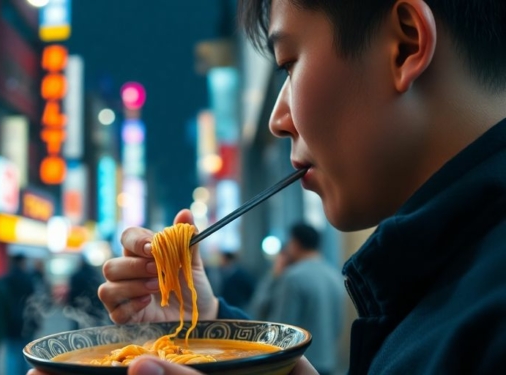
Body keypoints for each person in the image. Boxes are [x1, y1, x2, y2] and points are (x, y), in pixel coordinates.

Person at [30, 0, 506, 372]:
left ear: (404, 44)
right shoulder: (452, 280)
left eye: (289, 64)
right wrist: (208, 328)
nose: (280, 120)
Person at [255, 224, 345, 375]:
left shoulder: (292, 278)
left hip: (298, 366)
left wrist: (274, 275)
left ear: (295, 244)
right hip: (328, 362)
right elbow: (337, 325)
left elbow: (279, 329)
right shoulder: (335, 276)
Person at [3, 254, 39, 375]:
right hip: (26, 322)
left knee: (12, 353)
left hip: (10, 322)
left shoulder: (6, 279)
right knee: (26, 354)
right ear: (22, 262)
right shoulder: (28, 279)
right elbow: (34, 302)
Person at [66, 255, 106, 330]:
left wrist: (71, 304)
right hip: (94, 306)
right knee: (96, 327)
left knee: (77, 327)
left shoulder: (76, 275)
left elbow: (73, 292)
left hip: (78, 306)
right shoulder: (94, 274)